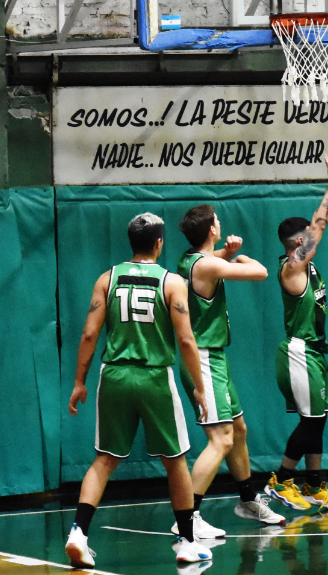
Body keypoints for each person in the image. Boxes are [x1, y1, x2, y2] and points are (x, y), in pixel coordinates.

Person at [65, 213, 213, 567]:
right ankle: (187, 543)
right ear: (159, 243)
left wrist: (79, 382)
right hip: (154, 377)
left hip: (113, 374)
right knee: (175, 461)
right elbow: (186, 340)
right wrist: (199, 388)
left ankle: (78, 533)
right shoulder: (172, 282)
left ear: (131, 242)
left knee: (104, 460)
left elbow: (89, 334)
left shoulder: (107, 278)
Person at [175, 204, 282, 535]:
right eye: (217, 222)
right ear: (211, 230)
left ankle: (248, 500)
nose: (220, 224)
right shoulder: (207, 265)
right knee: (220, 440)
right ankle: (186, 519)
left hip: (214, 358)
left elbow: (209, 264)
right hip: (203, 358)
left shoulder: (190, 259)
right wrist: (241, 257)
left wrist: (226, 252)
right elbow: (262, 272)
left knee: (238, 430)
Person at [266, 153, 328, 512]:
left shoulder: (309, 269)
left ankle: (314, 485)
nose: (315, 240)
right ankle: (281, 480)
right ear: (299, 242)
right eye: (309, 238)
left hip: (314, 352)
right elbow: (322, 222)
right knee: (312, 421)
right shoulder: (292, 269)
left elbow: (318, 226)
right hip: (299, 351)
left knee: (317, 421)